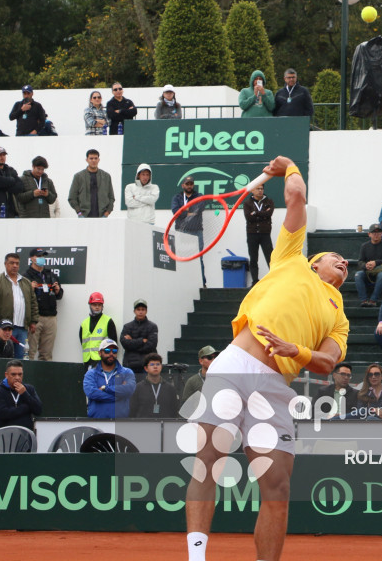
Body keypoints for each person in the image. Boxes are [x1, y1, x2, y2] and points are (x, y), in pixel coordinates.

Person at [184, 155, 349, 561]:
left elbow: (327, 362)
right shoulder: (291, 257)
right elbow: (295, 196)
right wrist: (289, 166)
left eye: (347, 264)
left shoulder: (340, 316)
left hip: (276, 388)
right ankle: (196, 557)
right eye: (335, 257)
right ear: (315, 262)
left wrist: (297, 351)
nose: (344, 262)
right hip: (236, 366)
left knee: (278, 487)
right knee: (209, 461)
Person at [0, 253, 38, 359]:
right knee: (4, 357)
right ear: (5, 264)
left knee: (21, 358)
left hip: (22, 328)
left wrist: (33, 321)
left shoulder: (26, 282)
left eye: (17, 263)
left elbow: (33, 302)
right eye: (12, 263)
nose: (15, 266)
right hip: (5, 328)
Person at [24, 248, 63, 361]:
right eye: (38, 256)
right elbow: (21, 297)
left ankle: (45, 373)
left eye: (43, 256)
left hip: (51, 317)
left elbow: (59, 295)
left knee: (46, 355)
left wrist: (58, 291)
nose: (41, 258)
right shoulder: (26, 276)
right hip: (35, 318)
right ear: (32, 258)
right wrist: (29, 289)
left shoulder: (51, 275)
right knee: (29, 353)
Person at [83, 339, 136, 419]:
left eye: (114, 351)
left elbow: (129, 390)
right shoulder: (91, 374)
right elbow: (92, 393)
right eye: (107, 350)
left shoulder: (127, 372)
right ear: (100, 353)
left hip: (120, 421)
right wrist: (119, 395)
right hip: (96, 421)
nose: (111, 354)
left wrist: (105, 388)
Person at [171, 176, 207, 287]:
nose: (189, 186)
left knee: (199, 259)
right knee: (181, 258)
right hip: (181, 231)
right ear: (183, 185)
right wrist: (189, 212)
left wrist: (184, 209)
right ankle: (182, 284)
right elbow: (176, 212)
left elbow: (200, 208)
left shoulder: (199, 196)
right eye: (187, 184)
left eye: (191, 184)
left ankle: (202, 284)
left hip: (196, 231)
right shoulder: (177, 197)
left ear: (193, 185)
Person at [0, 360, 43, 430]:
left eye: (20, 374)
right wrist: (27, 407)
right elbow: (3, 414)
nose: (17, 377)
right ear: (6, 375)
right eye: (13, 374)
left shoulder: (29, 389)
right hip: (6, 433)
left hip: (25, 433)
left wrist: (25, 394)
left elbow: (38, 410)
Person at [68, 149, 115, 218]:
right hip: (84, 216)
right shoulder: (78, 176)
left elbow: (111, 197)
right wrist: (79, 213)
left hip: (102, 216)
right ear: (87, 160)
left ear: (98, 160)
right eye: (91, 158)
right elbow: (72, 197)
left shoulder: (106, 176)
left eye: (96, 158)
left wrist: (107, 213)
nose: (93, 160)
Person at [243, 183, 274, 286]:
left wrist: (255, 213)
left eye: (261, 189)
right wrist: (262, 214)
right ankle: (255, 280)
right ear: (252, 190)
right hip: (252, 234)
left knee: (271, 257)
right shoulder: (247, 203)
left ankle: (274, 279)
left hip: (265, 234)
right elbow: (248, 217)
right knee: (253, 258)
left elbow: (269, 214)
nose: (260, 191)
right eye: (257, 189)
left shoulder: (269, 202)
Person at [129, 353, 178, 418]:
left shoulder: (170, 388)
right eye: (152, 364)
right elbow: (133, 411)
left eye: (158, 364)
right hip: (144, 423)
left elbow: (174, 411)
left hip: (164, 423)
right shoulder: (138, 388)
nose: (155, 367)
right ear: (146, 368)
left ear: (161, 367)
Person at [355, 223, 382, 307]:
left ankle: (373, 300)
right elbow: (360, 261)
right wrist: (366, 265)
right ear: (369, 234)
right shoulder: (364, 246)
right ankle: (363, 300)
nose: (376, 234)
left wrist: (376, 262)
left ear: (381, 233)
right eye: (374, 232)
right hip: (368, 272)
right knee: (358, 275)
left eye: (378, 232)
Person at [120, 298, 159, 378]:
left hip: (146, 366)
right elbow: (125, 343)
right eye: (138, 309)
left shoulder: (152, 326)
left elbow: (151, 345)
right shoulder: (127, 326)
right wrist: (142, 341)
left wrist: (132, 342)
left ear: (146, 311)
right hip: (130, 365)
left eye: (143, 309)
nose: (140, 312)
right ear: (134, 311)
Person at [79, 292, 118, 369]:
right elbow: (82, 341)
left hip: (102, 361)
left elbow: (113, 343)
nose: (97, 307)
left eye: (99, 305)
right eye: (94, 305)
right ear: (90, 305)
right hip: (87, 361)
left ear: (102, 306)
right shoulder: (84, 323)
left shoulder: (108, 321)